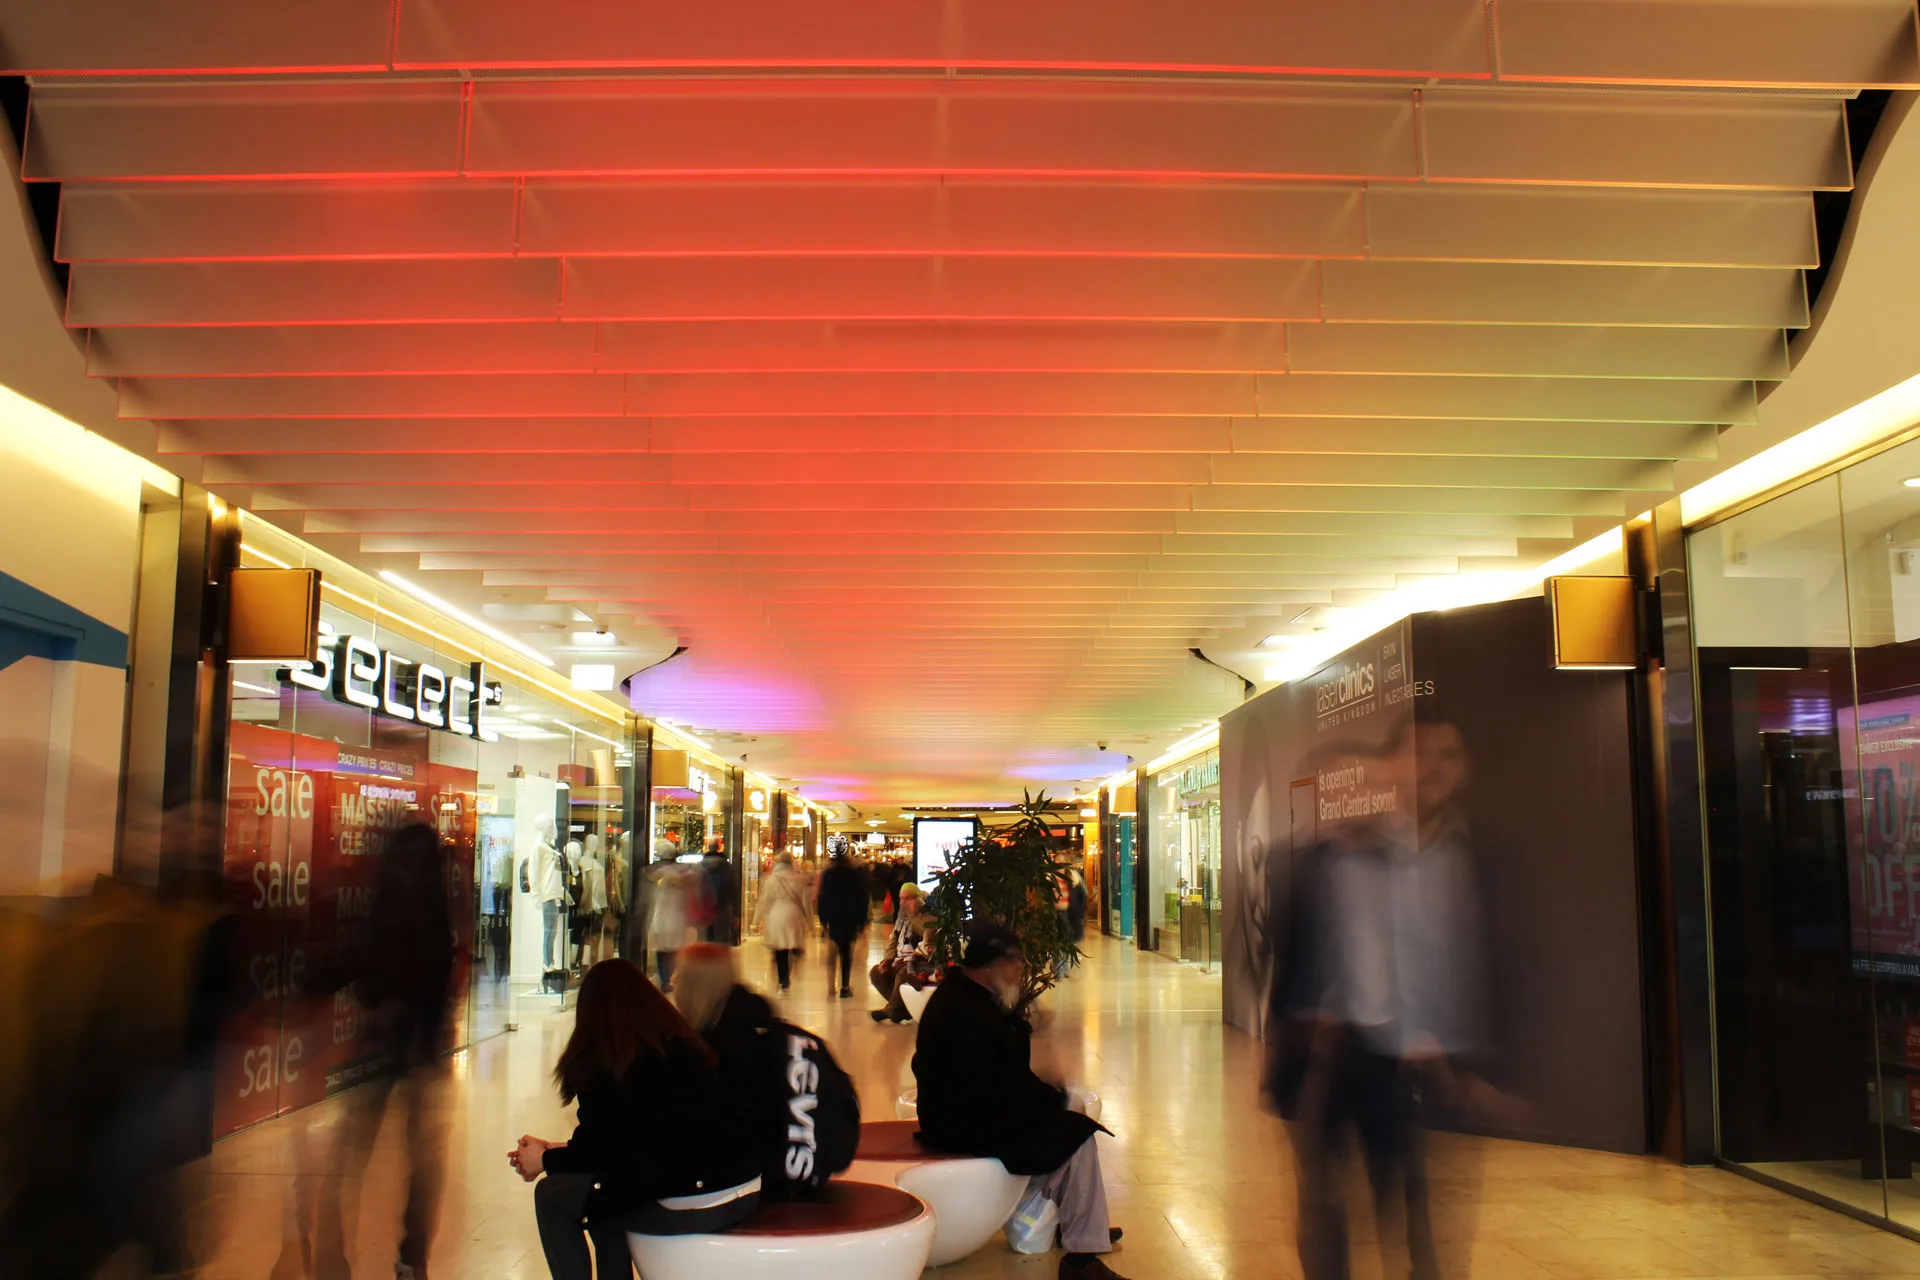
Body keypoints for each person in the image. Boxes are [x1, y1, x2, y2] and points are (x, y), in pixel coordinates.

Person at [1269, 715, 1494, 1280]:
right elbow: (1288, 966)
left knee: (1408, 1198)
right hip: (1320, 1061)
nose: (1361, 799)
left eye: (1371, 786)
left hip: (1388, 1061)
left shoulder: (1413, 864)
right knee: (1322, 1203)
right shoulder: (1309, 866)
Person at [511, 959, 761, 1280]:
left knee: (558, 1195)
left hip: (695, 1200)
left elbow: (607, 1153)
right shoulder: (680, 1045)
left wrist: (546, 1159)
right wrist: (556, 1149)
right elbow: (635, 1139)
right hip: (742, 1187)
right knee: (605, 1191)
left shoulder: (610, 1062)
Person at [912, 923, 1127, 1280]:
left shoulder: (963, 996)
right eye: (1014, 961)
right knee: (1077, 1136)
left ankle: (1081, 1227)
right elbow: (998, 1087)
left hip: (958, 1116)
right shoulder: (970, 1011)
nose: (1019, 969)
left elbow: (997, 1077)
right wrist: (1051, 1097)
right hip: (964, 1126)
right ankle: (1081, 1259)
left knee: (1068, 1119)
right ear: (991, 965)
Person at [869, 886, 938, 1023]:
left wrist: (912, 916)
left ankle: (891, 1010)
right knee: (876, 973)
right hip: (899, 959)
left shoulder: (928, 916)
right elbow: (893, 939)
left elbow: (927, 933)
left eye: (907, 899)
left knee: (904, 973)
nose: (903, 902)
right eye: (901, 899)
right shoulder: (901, 918)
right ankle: (902, 1009)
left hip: (917, 962)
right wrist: (887, 960)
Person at [814, 851, 870, 999]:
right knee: (846, 952)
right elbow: (863, 897)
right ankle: (844, 986)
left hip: (834, 917)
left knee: (832, 951)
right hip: (850, 917)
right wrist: (862, 920)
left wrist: (823, 919)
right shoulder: (856, 874)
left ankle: (831, 985)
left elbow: (823, 897)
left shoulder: (829, 873)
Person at [755, 853, 810, 993]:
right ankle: (789, 970)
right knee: (791, 945)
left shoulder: (772, 879)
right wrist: (809, 920)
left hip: (777, 915)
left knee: (780, 949)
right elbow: (806, 902)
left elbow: (764, 901)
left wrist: (756, 920)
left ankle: (783, 981)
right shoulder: (799, 879)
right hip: (794, 915)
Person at [643, 858, 690, 989]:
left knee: (662, 953)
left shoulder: (660, 889)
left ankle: (664, 979)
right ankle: (666, 979)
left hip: (662, 924)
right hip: (674, 924)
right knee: (671, 953)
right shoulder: (680, 888)